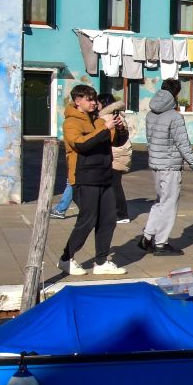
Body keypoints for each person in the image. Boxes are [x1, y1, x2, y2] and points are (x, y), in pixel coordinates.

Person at [58, 84, 125, 276]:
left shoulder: (97, 121)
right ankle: (66, 258)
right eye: (89, 99)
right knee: (87, 220)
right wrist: (105, 129)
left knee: (108, 220)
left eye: (94, 99)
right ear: (77, 101)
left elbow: (116, 141)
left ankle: (101, 261)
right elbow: (82, 144)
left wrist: (118, 129)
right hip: (84, 177)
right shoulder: (71, 123)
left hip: (104, 176)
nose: (93, 103)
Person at [140, 78, 193, 256]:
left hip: (155, 164)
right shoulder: (175, 116)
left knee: (160, 202)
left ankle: (147, 237)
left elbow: (149, 141)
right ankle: (161, 243)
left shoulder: (150, 113)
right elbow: (183, 144)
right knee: (169, 205)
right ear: (176, 94)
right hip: (170, 166)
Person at [100, 94, 132, 225]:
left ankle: (122, 214)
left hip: (115, 155)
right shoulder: (116, 115)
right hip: (120, 154)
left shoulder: (106, 117)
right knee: (112, 185)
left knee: (115, 186)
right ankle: (115, 212)